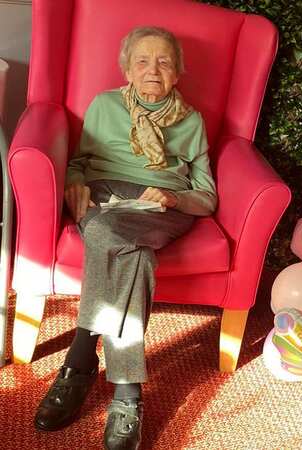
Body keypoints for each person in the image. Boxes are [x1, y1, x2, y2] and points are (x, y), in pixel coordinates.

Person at [33, 26, 217, 450]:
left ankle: (78, 364)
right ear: (127, 70)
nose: (153, 69)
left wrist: (173, 197)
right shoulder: (104, 105)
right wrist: (73, 183)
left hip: (161, 206)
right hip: (103, 194)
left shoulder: (191, 121)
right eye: (142, 61)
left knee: (104, 232)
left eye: (164, 61)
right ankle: (126, 395)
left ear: (177, 73)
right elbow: (79, 162)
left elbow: (206, 197)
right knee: (131, 253)